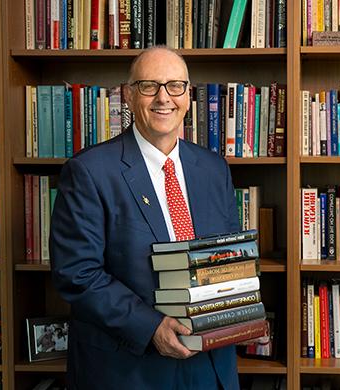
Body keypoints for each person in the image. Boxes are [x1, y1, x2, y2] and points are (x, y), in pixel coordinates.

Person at [50, 47, 241, 389]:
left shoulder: (214, 169)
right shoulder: (89, 171)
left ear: (188, 95)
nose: (164, 98)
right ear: (129, 94)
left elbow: (226, 256)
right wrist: (151, 327)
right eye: (149, 86)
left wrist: (241, 309)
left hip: (210, 366)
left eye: (175, 86)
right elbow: (77, 273)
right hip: (129, 367)